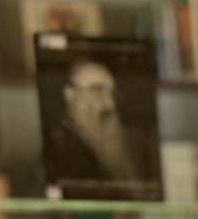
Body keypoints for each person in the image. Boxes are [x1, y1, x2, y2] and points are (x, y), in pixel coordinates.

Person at [50, 57, 142, 188]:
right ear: (69, 94)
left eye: (112, 93)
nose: (110, 104)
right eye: (97, 91)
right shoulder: (57, 149)